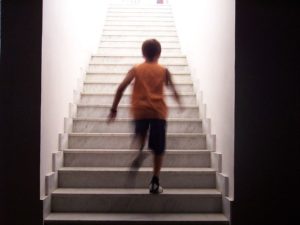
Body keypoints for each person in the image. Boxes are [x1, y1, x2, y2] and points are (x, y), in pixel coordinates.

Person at [107, 39, 181, 194]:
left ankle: (139, 148)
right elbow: (173, 89)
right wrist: (179, 101)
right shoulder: (163, 70)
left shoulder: (136, 69)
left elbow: (121, 87)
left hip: (140, 111)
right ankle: (155, 181)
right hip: (158, 113)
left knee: (140, 134)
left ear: (143, 53)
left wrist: (114, 108)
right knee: (158, 149)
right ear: (159, 53)